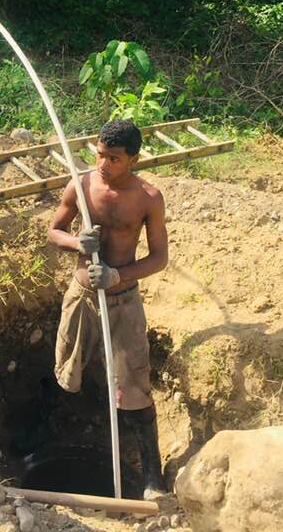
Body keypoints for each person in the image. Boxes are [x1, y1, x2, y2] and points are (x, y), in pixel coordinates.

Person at [47, 119, 169, 500]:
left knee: (134, 385)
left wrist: (118, 275)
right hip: (82, 297)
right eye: (99, 154)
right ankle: (46, 442)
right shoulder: (82, 186)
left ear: (133, 159)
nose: (103, 164)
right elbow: (54, 230)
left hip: (124, 302)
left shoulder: (148, 197)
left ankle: (152, 476)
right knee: (67, 367)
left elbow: (160, 258)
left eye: (113, 158)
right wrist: (76, 243)